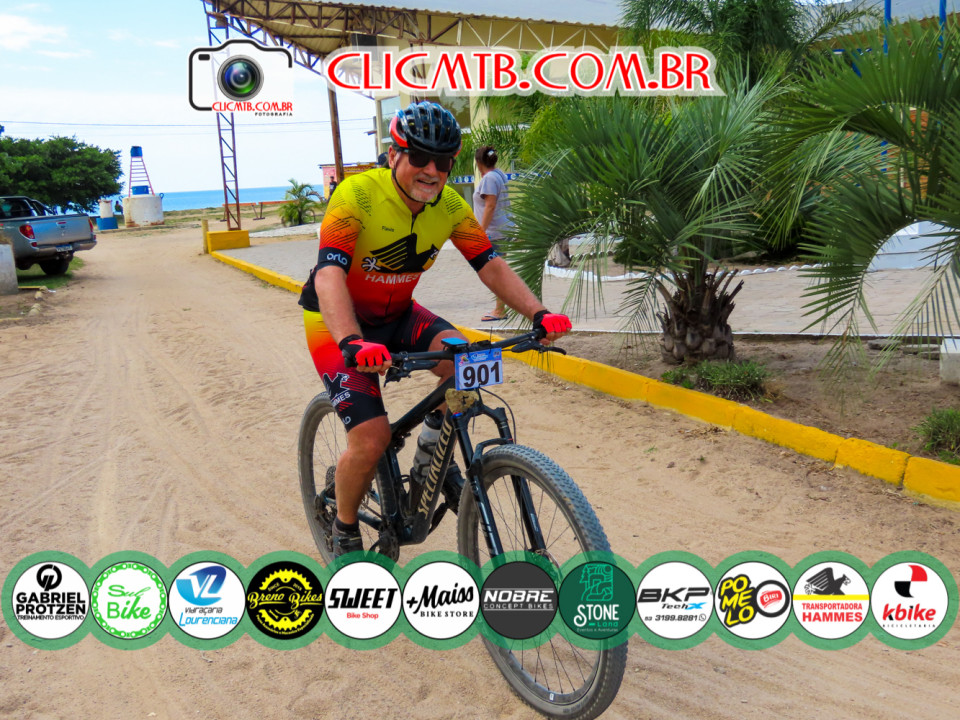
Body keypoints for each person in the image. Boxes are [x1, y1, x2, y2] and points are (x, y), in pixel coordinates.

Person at [298, 101, 571, 557]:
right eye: (420, 157)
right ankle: (344, 528)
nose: (431, 171)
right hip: (337, 322)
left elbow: (490, 264)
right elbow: (329, 275)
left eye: (442, 162)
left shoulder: (449, 206)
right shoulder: (356, 196)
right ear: (393, 155)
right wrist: (351, 340)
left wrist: (539, 314)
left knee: (465, 364)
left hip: (399, 314)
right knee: (371, 438)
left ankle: (431, 452)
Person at [472, 145, 514, 321]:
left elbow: (490, 205)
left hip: (494, 232)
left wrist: (481, 231)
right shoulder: (499, 174)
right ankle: (501, 307)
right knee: (499, 270)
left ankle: (500, 310)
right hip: (502, 229)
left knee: (496, 272)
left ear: (478, 162)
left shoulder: (489, 178)